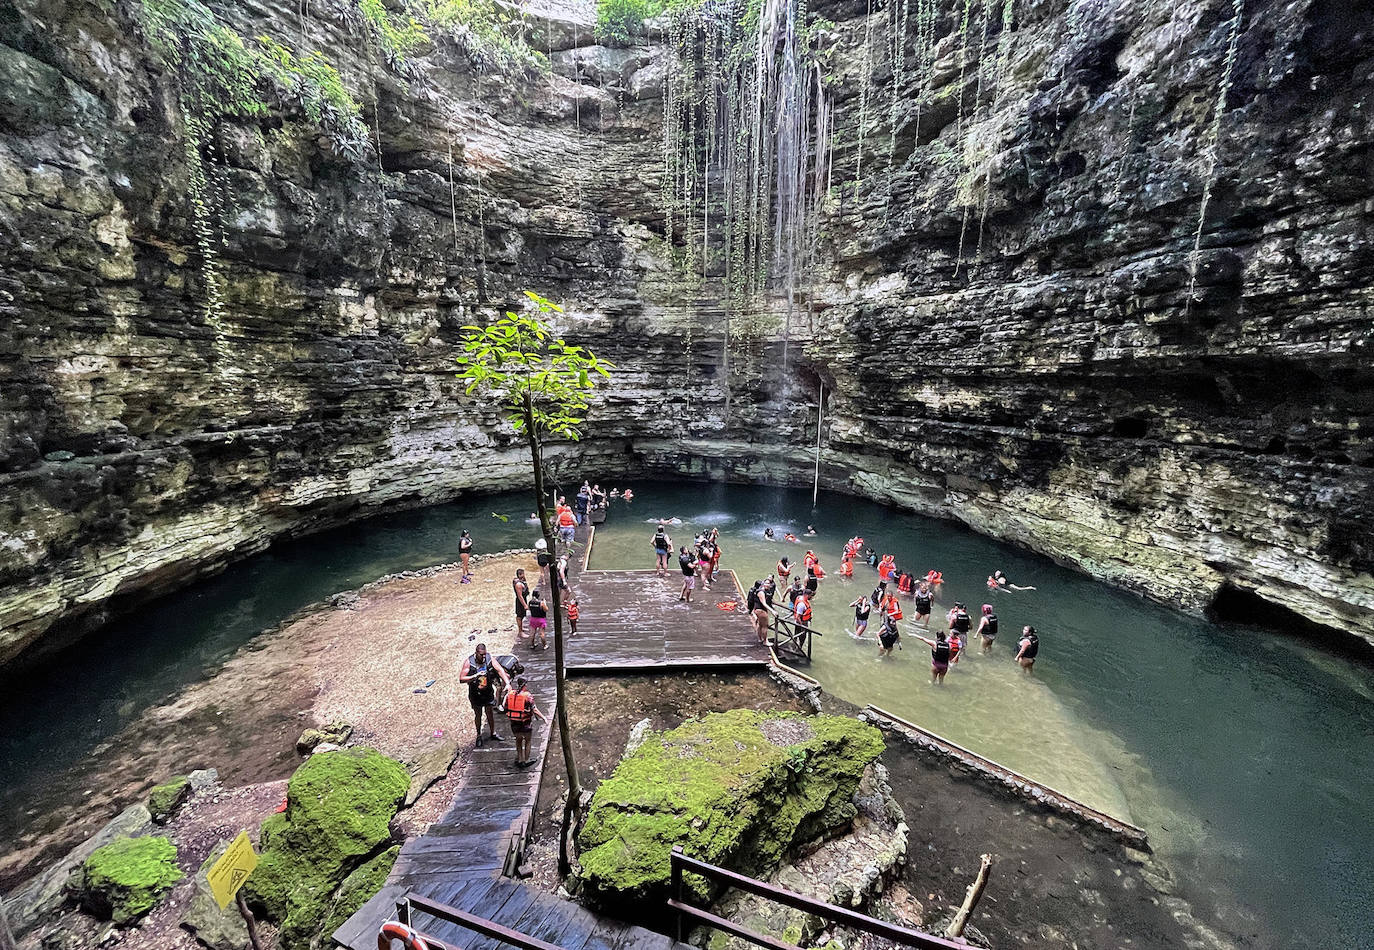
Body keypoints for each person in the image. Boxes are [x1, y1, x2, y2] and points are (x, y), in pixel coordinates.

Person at [460, 642, 510, 746]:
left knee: (490, 712)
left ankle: (493, 733)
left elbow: (500, 669)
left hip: (487, 691)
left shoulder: (489, 657)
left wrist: (508, 683)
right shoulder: (469, 662)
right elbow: (461, 679)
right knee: (478, 714)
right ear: (476, 653)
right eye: (481, 654)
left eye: (484, 654)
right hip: (475, 692)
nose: (483, 657)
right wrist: (475, 676)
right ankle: (479, 735)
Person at [503, 676, 547, 767]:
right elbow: (534, 709)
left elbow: (505, 706)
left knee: (518, 740)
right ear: (525, 685)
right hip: (525, 723)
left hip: (514, 723)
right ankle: (526, 760)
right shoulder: (528, 696)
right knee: (528, 741)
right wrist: (544, 718)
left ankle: (520, 759)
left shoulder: (510, 694)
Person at [512, 568, 530, 639]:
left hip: (523, 599)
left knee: (522, 615)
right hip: (520, 602)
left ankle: (521, 628)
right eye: (522, 574)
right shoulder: (518, 584)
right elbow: (520, 596)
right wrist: (525, 605)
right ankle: (520, 632)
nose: (524, 575)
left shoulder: (522, 581)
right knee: (519, 616)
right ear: (520, 575)